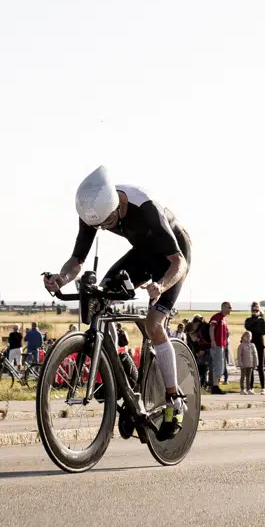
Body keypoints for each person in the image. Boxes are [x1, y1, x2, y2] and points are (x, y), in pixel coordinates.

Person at [44, 166, 192, 438]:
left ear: (117, 205)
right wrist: (61, 278)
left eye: (108, 222)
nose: (103, 228)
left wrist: (160, 285)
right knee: (100, 300)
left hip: (173, 258)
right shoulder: (93, 211)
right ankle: (126, 379)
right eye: (99, 225)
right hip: (142, 254)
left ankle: (174, 399)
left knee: (153, 323)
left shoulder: (144, 207)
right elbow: (77, 260)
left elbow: (178, 262)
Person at [208, 303, 231, 395]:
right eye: (229, 307)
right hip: (216, 345)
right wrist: (212, 341)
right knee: (217, 366)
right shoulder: (217, 317)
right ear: (224, 307)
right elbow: (211, 328)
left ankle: (216, 385)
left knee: (220, 367)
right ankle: (214, 386)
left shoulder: (225, 319)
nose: (230, 309)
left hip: (222, 345)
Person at [244, 302, 265, 386]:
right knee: (250, 366)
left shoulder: (262, 320)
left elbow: (262, 331)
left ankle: (263, 387)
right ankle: (250, 387)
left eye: (257, 310)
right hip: (250, 344)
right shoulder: (248, 320)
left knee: (260, 367)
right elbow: (247, 327)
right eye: (253, 310)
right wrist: (255, 325)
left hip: (259, 345)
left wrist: (254, 326)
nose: (255, 312)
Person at [237, 330, 258, 394]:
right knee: (243, 376)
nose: (248, 337)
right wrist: (240, 363)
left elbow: (255, 354)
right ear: (243, 337)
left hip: (250, 364)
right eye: (247, 336)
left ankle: (249, 389)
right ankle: (242, 389)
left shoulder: (253, 345)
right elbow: (239, 355)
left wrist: (255, 363)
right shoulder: (241, 345)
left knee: (249, 377)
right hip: (243, 364)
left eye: (249, 336)